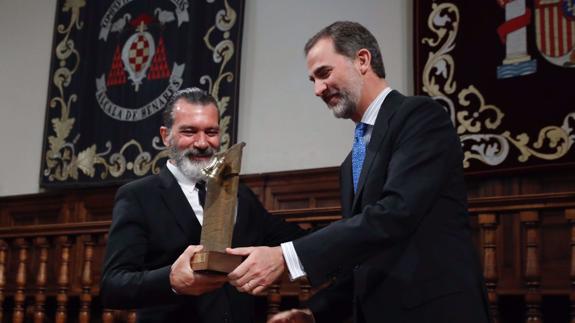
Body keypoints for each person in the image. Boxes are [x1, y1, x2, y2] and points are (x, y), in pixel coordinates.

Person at [227, 21, 491, 323]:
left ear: (362, 60)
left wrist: (285, 257)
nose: (317, 90)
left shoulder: (420, 116)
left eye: (324, 73)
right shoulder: (351, 161)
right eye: (312, 79)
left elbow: (395, 214)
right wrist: (314, 311)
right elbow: (365, 255)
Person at [100, 87, 305, 323]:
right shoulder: (138, 196)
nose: (202, 143)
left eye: (211, 132)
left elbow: (294, 240)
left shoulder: (241, 194)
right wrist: (171, 280)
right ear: (166, 136)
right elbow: (112, 286)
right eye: (189, 131)